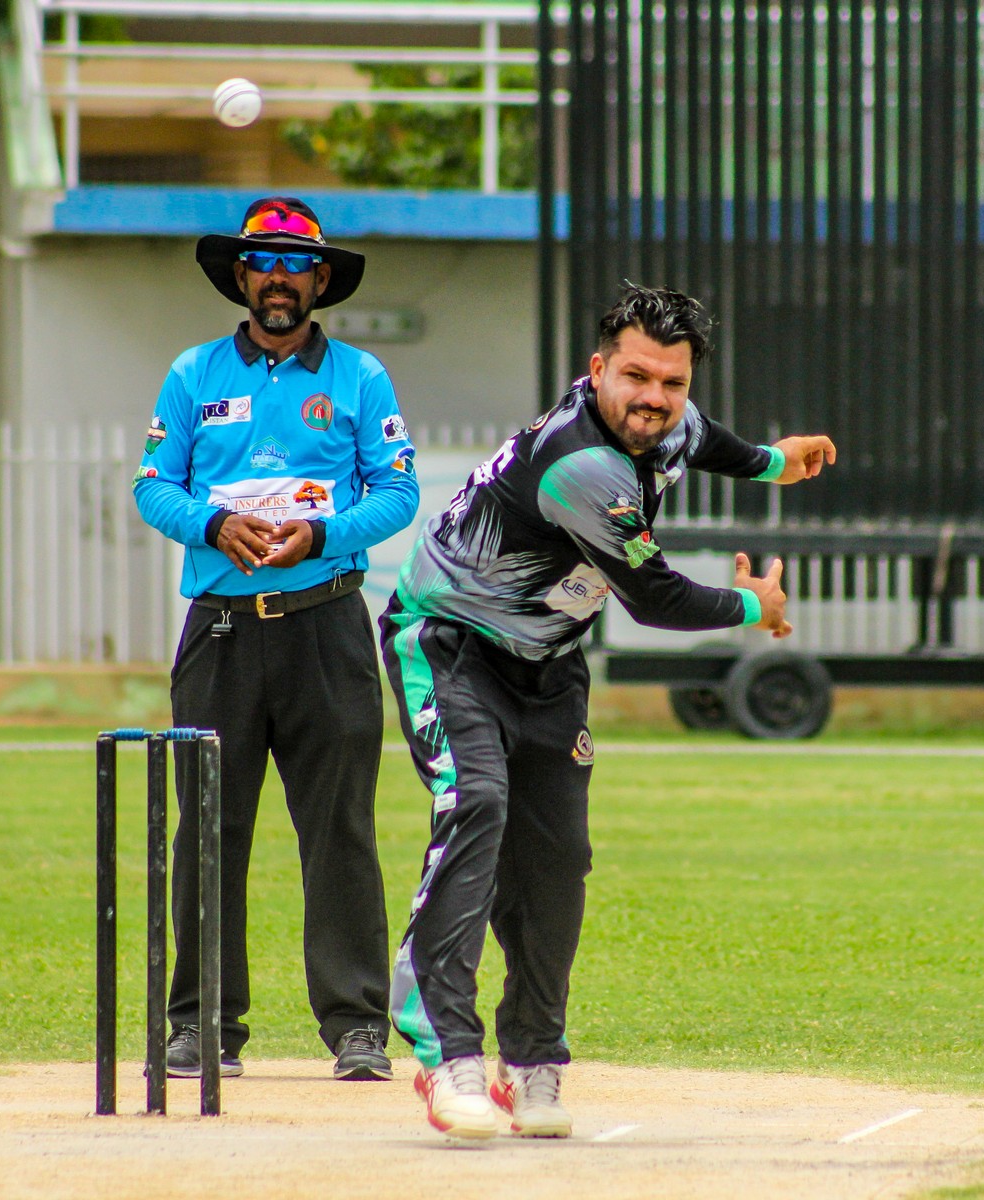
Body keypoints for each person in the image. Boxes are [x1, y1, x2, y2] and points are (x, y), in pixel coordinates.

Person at [379, 283, 836, 1137]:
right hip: (450, 644)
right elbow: (654, 598)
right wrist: (755, 608)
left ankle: (533, 1062)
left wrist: (775, 462)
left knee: (556, 861)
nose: (655, 399)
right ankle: (446, 1054)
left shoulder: (663, 419)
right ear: (597, 371)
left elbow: (707, 440)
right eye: (636, 377)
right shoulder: (581, 464)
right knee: (477, 804)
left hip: (549, 661)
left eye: (673, 382)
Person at [134, 196, 419, 1082]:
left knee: (340, 831)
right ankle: (202, 1024)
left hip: (326, 625)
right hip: (221, 631)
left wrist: (322, 535)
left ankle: (357, 1026)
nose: (280, 279)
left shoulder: (361, 377)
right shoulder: (194, 373)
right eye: (263, 263)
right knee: (207, 829)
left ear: (321, 278)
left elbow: (398, 494)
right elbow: (152, 486)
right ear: (242, 276)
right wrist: (215, 525)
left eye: (297, 265)